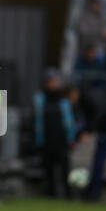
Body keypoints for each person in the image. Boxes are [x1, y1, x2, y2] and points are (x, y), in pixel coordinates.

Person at [32, 69, 75, 199]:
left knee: (65, 170)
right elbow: (36, 121)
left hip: (61, 140)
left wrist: (70, 138)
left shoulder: (63, 101)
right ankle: (51, 194)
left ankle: (69, 195)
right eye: (50, 81)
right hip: (46, 140)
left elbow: (69, 122)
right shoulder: (40, 100)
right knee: (48, 170)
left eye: (54, 81)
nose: (52, 84)